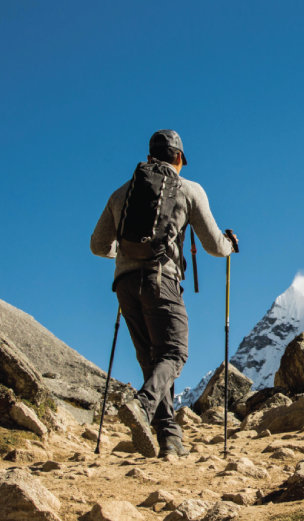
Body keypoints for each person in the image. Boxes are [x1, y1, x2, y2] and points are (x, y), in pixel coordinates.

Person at [90, 129, 236, 458]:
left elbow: (98, 245)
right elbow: (214, 245)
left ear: (149, 156)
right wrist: (230, 246)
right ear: (179, 159)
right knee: (174, 353)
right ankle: (142, 405)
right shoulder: (189, 189)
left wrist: (124, 254)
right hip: (162, 281)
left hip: (124, 285)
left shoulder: (121, 194)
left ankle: (170, 440)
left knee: (151, 361)